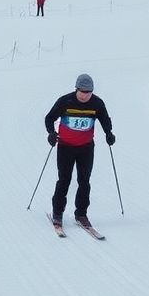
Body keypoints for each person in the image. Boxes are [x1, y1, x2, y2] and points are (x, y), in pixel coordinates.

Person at [44, 73, 115, 233]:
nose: (85, 95)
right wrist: (51, 133)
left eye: (88, 92)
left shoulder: (97, 103)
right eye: (82, 92)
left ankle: (81, 214)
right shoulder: (65, 101)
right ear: (76, 89)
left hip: (86, 147)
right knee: (64, 180)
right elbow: (49, 118)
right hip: (65, 146)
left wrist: (109, 133)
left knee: (84, 181)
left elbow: (104, 119)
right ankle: (57, 213)